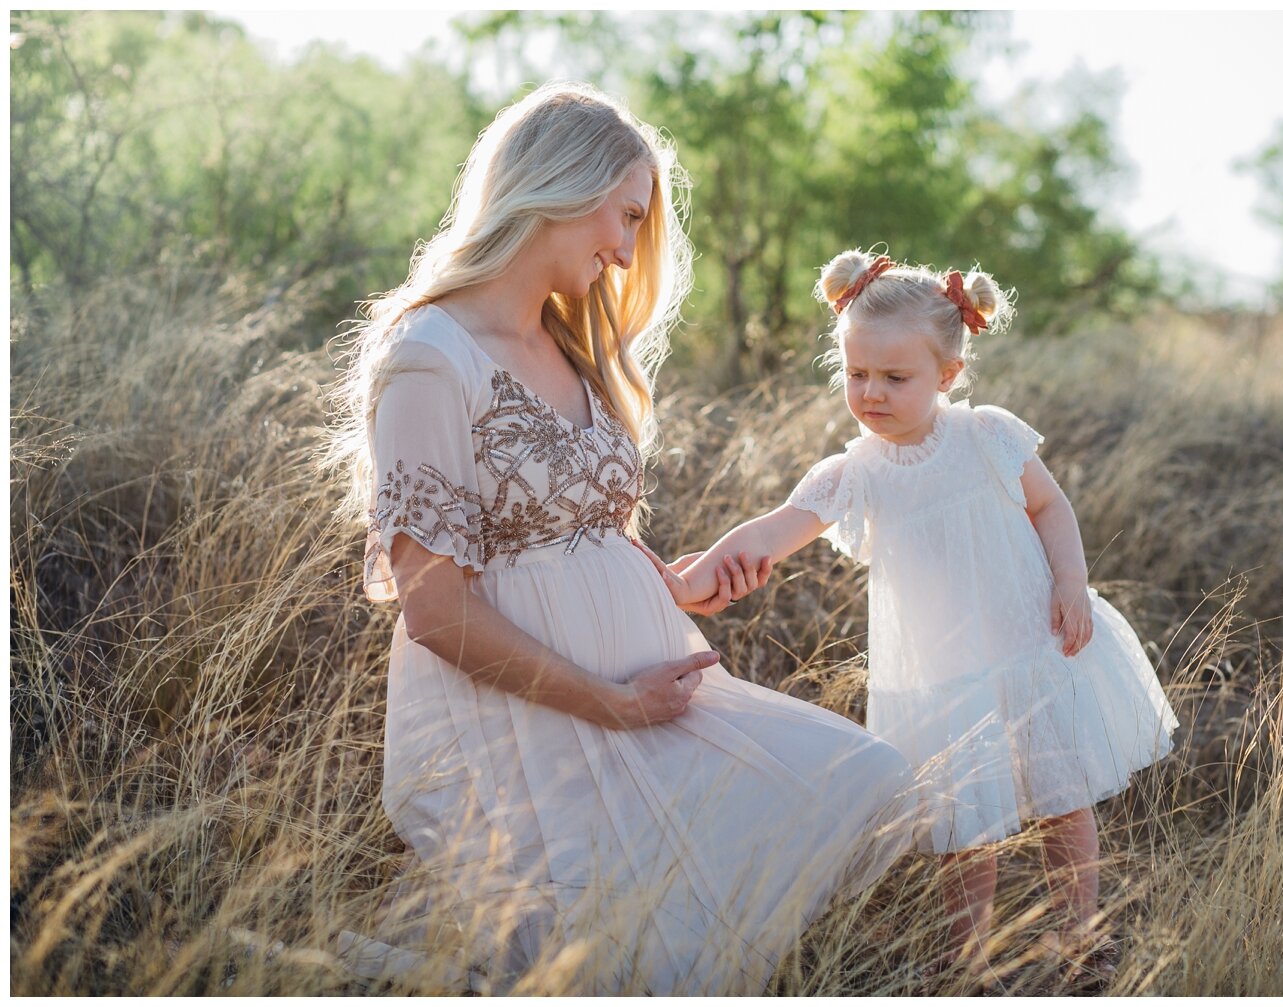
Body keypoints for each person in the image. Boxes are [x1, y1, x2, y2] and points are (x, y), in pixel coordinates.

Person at [327, 86, 916, 995]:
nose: (630, 248)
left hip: (647, 687)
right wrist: (612, 703)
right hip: (528, 718)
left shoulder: (573, 347)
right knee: (644, 963)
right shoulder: (431, 355)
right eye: (628, 214)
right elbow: (435, 609)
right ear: (560, 184)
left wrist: (673, 585)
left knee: (860, 779)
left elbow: (587, 533)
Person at [651, 249, 1179, 992]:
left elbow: (1049, 506)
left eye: (895, 378)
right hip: (943, 676)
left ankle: (1082, 942)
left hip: (1034, 642)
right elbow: (770, 530)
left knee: (1065, 803)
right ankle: (966, 967)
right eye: (856, 374)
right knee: (967, 834)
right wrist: (690, 577)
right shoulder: (854, 472)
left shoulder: (986, 436)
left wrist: (1071, 580)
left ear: (947, 375)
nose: (872, 393)